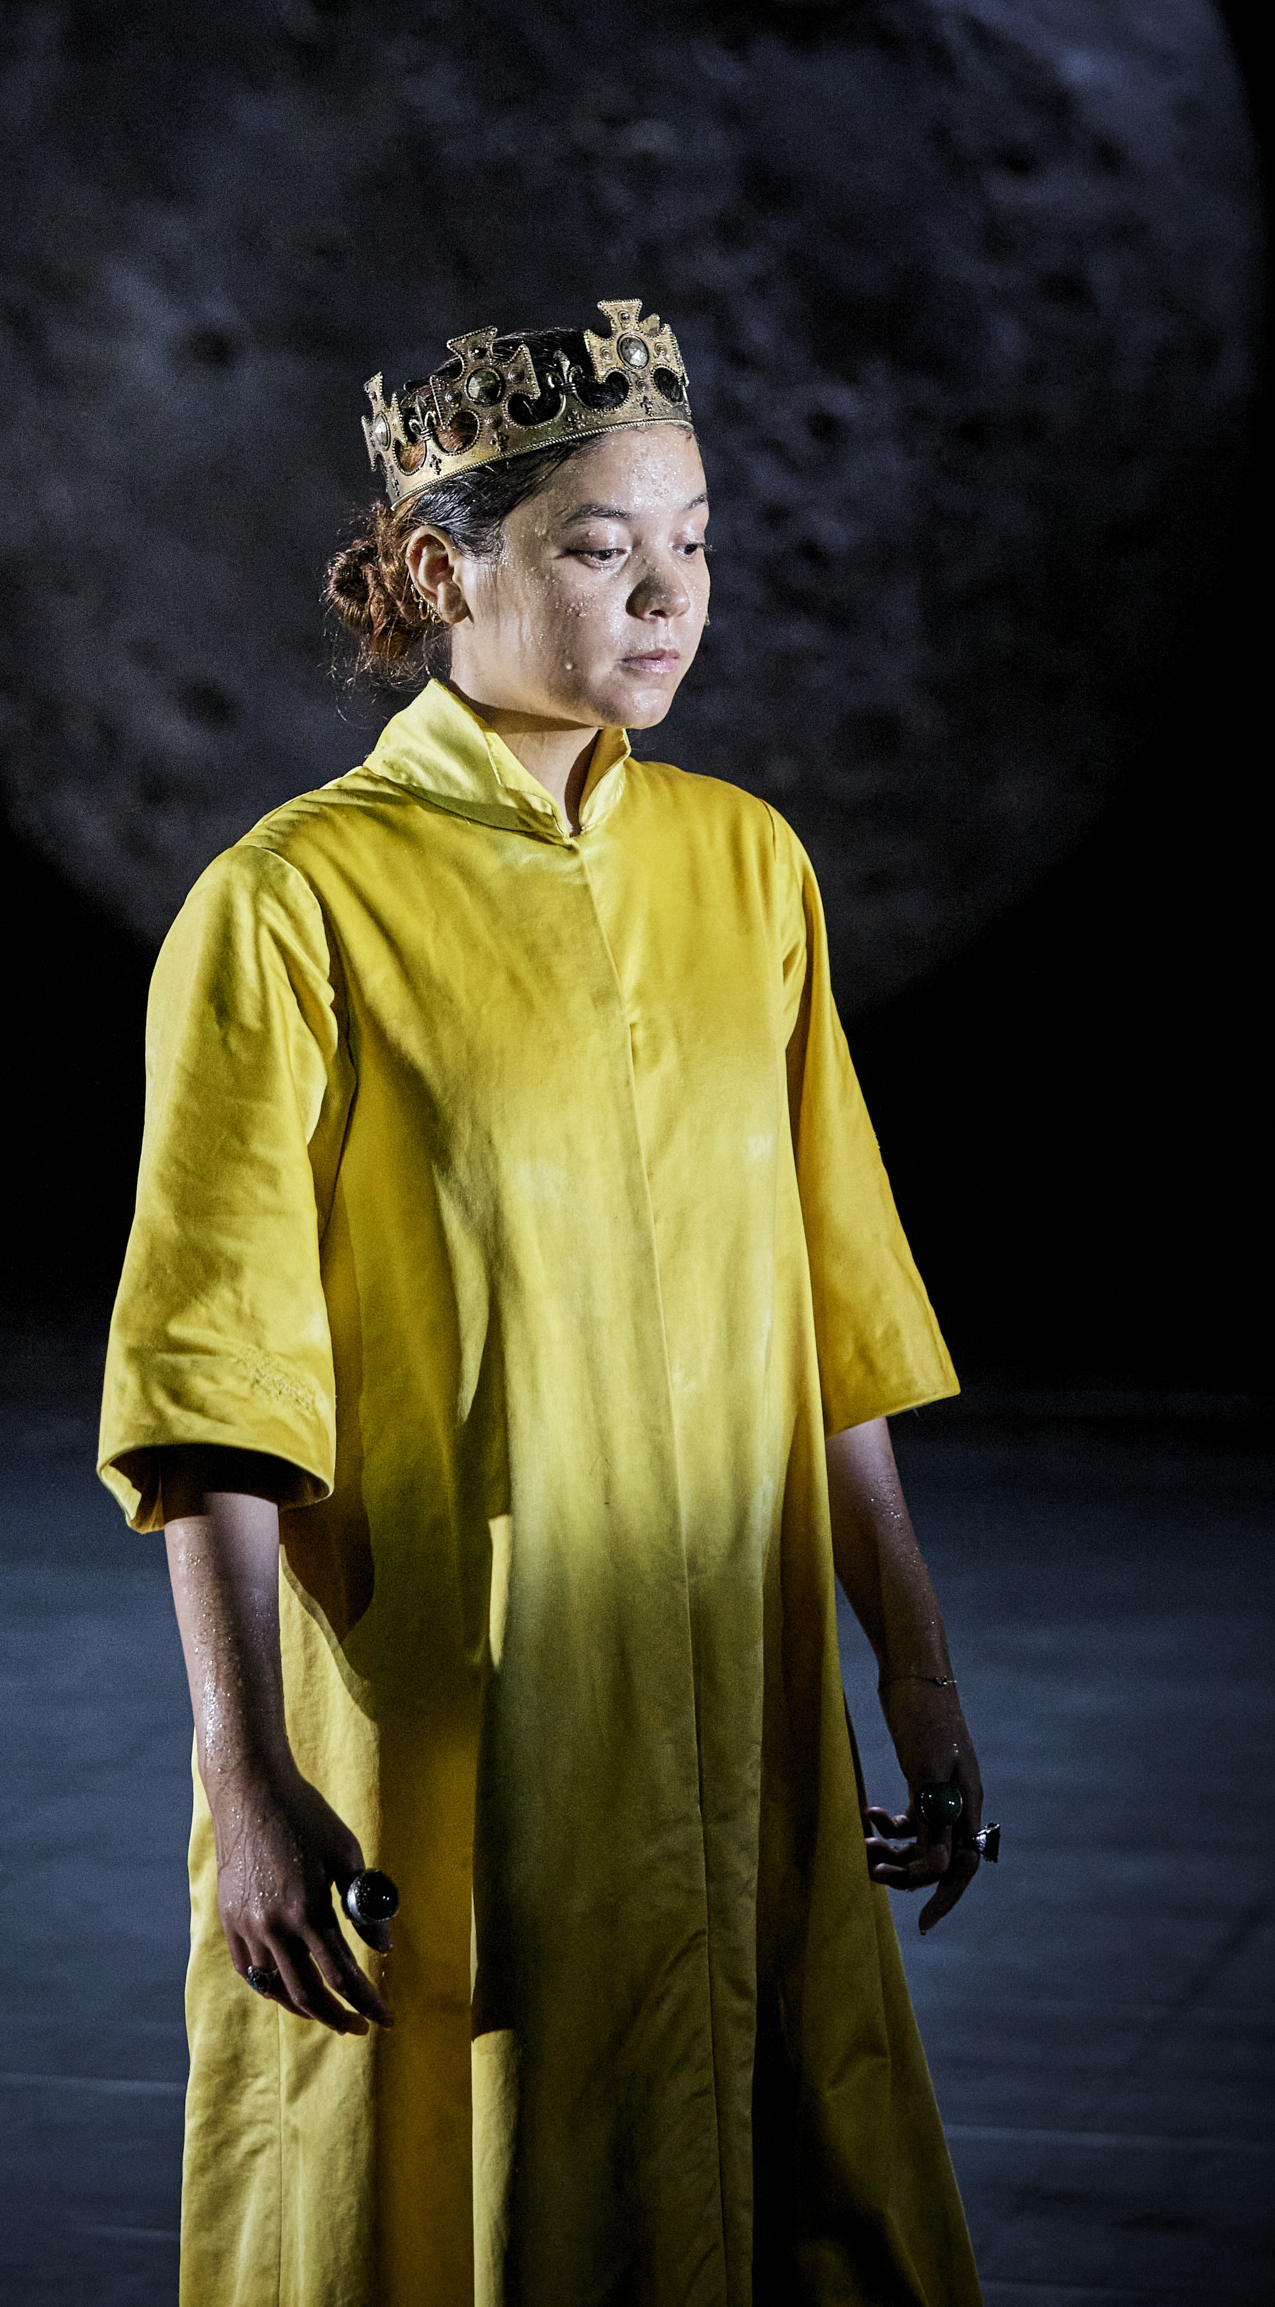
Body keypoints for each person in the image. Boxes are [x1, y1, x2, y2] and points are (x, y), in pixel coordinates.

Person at [99, 306, 988, 2304]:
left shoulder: (745, 872)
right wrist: (243, 1774)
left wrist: (913, 1671)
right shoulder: (293, 905)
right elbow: (211, 1387)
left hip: (739, 1688)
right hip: (468, 1710)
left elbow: (831, 1316)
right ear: (442, 572)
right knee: (475, 2182)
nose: (669, 597)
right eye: (599, 548)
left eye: (693, 540)